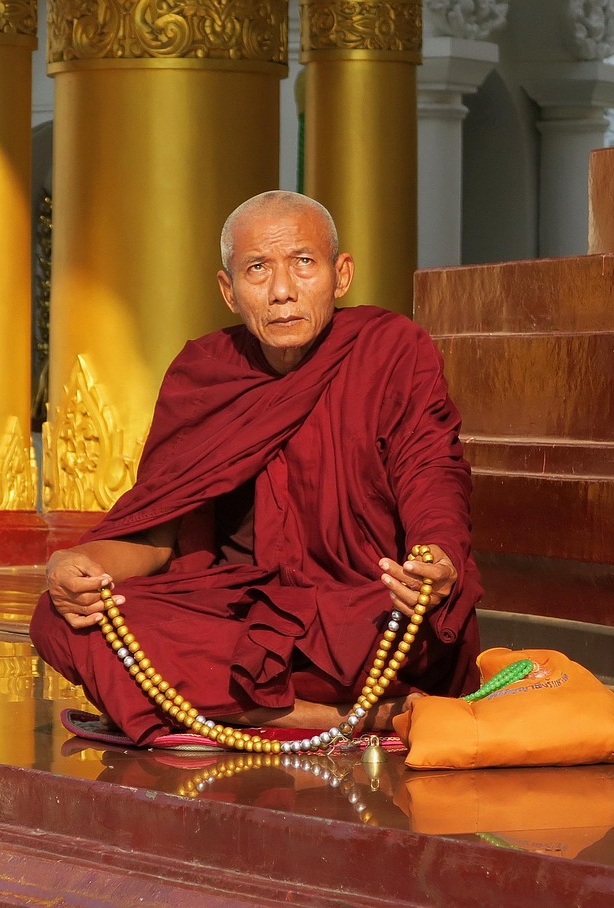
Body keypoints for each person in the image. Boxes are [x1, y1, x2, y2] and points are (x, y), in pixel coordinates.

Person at [30, 190, 482, 746]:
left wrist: (436, 560)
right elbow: (156, 534)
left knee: (408, 628)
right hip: (244, 614)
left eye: (304, 264)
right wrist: (77, 564)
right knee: (60, 620)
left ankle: (234, 711)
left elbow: (431, 469)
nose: (283, 291)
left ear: (341, 276)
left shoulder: (390, 350)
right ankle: (346, 718)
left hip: (361, 612)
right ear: (229, 290)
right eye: (258, 269)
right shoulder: (204, 372)